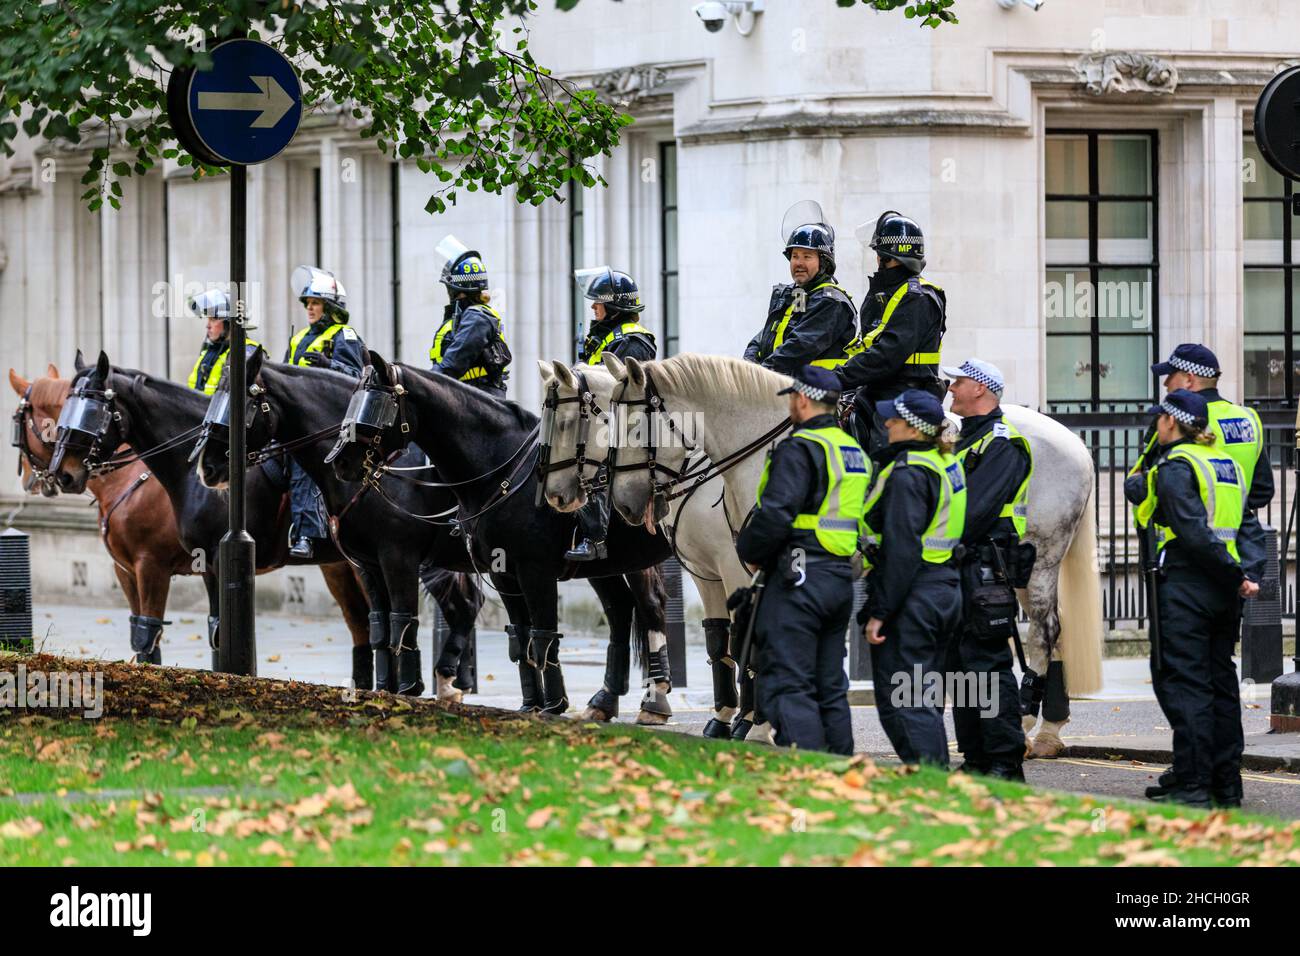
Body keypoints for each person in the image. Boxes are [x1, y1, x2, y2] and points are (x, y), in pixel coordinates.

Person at [1125, 389, 1256, 808]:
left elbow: (1194, 532)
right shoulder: (1225, 463)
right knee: (1220, 686)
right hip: (1221, 592)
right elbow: (1244, 526)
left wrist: (1234, 575)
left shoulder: (1177, 468)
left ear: (1171, 422)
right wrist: (1241, 576)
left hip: (1187, 585)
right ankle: (1225, 785)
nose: (1156, 425)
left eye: (1159, 418)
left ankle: (1194, 787)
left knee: (1188, 687)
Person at [734, 365, 865, 754]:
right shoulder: (852, 450)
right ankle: (840, 768)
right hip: (839, 579)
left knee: (789, 681)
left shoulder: (799, 448)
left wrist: (751, 553)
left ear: (803, 399)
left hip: (798, 578)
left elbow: (775, 514)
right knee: (830, 684)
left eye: (792, 397)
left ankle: (810, 771)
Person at [858, 388, 965, 766]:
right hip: (944, 589)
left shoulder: (909, 474)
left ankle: (929, 780)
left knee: (905, 698)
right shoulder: (944, 463)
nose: (887, 423)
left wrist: (880, 611)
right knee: (924, 695)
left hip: (913, 597)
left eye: (895, 419)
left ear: (913, 428)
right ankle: (930, 775)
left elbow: (902, 550)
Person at [942, 359, 1030, 780]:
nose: (950, 388)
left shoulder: (1002, 443)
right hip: (959, 568)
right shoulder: (962, 440)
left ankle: (1004, 761)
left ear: (980, 389)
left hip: (984, 569)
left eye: (957, 381)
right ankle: (975, 758)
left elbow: (973, 514)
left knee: (988, 668)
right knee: (960, 668)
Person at [1130, 344, 1273, 587]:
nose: (1166, 385)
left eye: (1170, 376)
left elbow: (1147, 484)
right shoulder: (1249, 418)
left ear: (1188, 379)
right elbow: (1262, 490)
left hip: (1177, 556)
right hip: (1235, 556)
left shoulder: (1180, 422)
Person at [836, 211, 947, 456]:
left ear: (893, 257)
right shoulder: (885, 294)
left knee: (879, 452)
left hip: (906, 394)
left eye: (882, 257)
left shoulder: (919, 297)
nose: (877, 262)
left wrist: (836, 378)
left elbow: (886, 355)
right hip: (876, 389)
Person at [566, 267, 657, 562]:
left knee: (587, 459)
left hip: (627, 426)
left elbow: (620, 391)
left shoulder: (633, 340)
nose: (593, 308)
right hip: (603, 418)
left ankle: (596, 538)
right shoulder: (606, 337)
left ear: (614, 307)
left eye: (598, 303)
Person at [284, 266, 365, 559]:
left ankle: (306, 534)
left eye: (315, 303)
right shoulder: (298, 338)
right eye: (307, 304)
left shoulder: (345, 335)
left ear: (329, 307)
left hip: (326, 424)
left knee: (302, 466)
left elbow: (355, 377)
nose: (310, 309)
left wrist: (327, 365)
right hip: (292, 420)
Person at [744, 201, 856, 375]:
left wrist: (761, 374)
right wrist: (748, 365)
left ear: (824, 262)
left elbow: (800, 345)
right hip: (782, 385)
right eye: (795, 256)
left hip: (816, 392)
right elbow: (766, 335)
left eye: (807, 256)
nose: (799, 263)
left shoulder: (831, 302)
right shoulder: (799, 295)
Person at [430, 235, 511, 396]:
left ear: (456, 289)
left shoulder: (477, 318)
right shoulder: (464, 316)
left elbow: (452, 364)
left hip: (478, 401)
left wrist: (421, 383)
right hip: (466, 395)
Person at [184, 289, 261, 395]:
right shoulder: (211, 350)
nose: (208, 325)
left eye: (213, 319)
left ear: (230, 323)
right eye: (208, 319)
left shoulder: (246, 352)